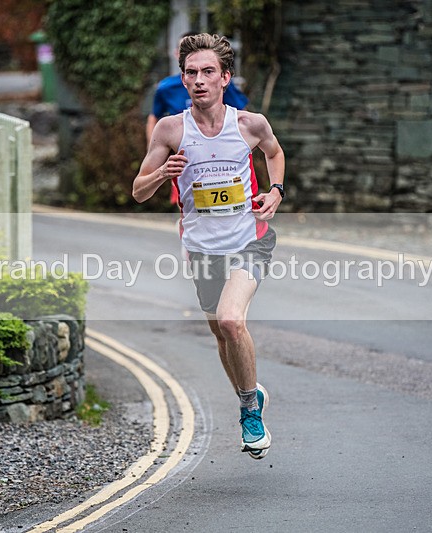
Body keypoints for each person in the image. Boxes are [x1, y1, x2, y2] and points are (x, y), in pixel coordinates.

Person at [133, 33, 285, 460]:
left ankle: (250, 412)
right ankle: (248, 391)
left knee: (232, 320)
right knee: (221, 333)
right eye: (191, 73)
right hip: (201, 248)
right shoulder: (171, 129)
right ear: (183, 80)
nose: (199, 80)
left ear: (225, 78)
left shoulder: (249, 124)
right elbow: (138, 191)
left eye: (208, 72)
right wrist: (163, 172)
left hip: (249, 240)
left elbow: (275, 153)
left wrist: (276, 191)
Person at [146, 32, 249, 204]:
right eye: (182, 49)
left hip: (220, 153)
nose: (199, 80)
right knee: (190, 203)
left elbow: (242, 115)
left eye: (207, 71)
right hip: (185, 155)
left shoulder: (218, 82)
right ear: (176, 54)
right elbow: (153, 118)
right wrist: (155, 151)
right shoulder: (166, 87)